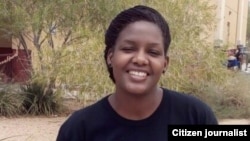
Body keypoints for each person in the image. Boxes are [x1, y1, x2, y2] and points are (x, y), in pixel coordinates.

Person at [56, 5, 218, 141]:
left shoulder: (195, 117)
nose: (140, 59)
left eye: (153, 52)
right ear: (110, 57)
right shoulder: (79, 130)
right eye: (128, 49)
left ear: (165, 64)